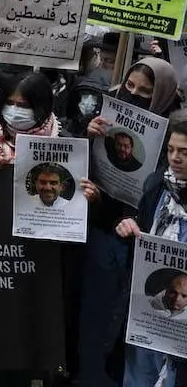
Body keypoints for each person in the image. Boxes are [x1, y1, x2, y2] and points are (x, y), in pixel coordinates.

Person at [80, 56, 180, 387]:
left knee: (132, 329)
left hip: (144, 246)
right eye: (130, 86)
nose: (133, 95)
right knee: (96, 315)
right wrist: (87, 136)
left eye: (145, 92)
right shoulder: (105, 116)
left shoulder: (174, 135)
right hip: (102, 231)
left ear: (161, 95)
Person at [117, 120, 187, 382]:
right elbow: (143, 224)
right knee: (140, 373)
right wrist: (129, 227)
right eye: (170, 150)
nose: (175, 158)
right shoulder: (157, 184)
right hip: (149, 308)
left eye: (184, 152)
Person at [0, 72, 58, 169]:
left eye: (23, 105)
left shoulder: (60, 139)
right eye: (9, 103)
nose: (14, 110)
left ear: (42, 107)